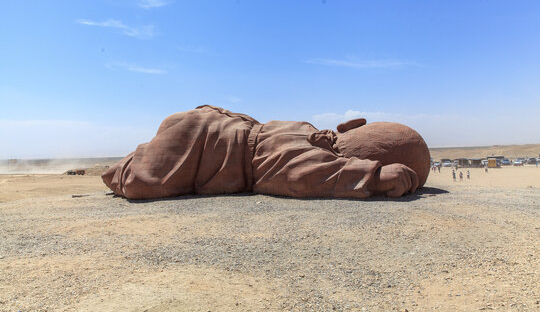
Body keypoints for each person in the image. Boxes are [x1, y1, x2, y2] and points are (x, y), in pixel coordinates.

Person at [102, 105, 430, 200]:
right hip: (214, 135)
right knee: (138, 181)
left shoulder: (308, 141)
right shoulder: (307, 139)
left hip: (214, 137)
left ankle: (121, 167)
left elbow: (309, 173)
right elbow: (305, 177)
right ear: (348, 127)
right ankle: (119, 169)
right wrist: (373, 177)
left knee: (142, 177)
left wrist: (367, 174)